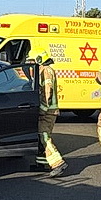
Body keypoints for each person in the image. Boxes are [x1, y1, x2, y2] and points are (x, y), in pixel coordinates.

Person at [27, 49, 67, 177]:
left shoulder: (45, 71)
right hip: (49, 110)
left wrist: (42, 110)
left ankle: (58, 163)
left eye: (32, 61)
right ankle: (42, 163)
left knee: (44, 137)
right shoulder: (44, 70)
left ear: (39, 60)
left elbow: (47, 92)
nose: (31, 64)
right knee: (41, 137)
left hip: (48, 111)